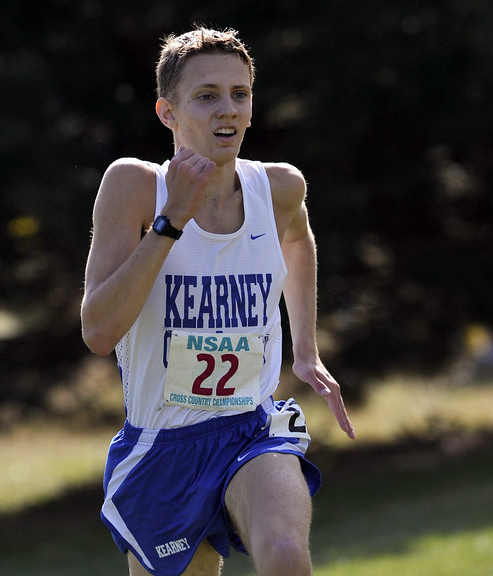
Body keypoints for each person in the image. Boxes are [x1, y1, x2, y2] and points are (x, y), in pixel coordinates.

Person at [80, 27, 356, 576]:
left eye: (240, 94)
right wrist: (172, 220)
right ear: (168, 113)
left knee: (285, 554)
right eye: (206, 96)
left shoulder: (278, 188)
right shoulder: (134, 187)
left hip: (250, 427)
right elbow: (99, 332)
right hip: (162, 446)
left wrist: (306, 349)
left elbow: (297, 239)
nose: (227, 109)